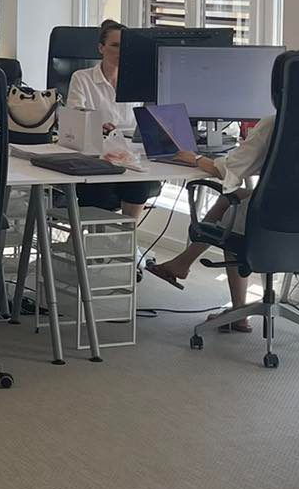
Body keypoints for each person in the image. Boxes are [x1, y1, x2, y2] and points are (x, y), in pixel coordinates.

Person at [142, 101, 278, 331]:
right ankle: (183, 264)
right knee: (229, 199)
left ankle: (237, 310)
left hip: (273, 216)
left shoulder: (274, 124)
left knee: (232, 217)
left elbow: (226, 169)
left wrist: (195, 158)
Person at [63, 20, 162, 222]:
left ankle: (128, 235)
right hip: (95, 156)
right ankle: (87, 237)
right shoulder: (82, 78)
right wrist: (94, 125)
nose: (120, 51)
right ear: (101, 48)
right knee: (100, 189)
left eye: (124, 46)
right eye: (115, 45)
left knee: (140, 184)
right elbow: (74, 116)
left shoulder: (138, 80)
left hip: (130, 156)